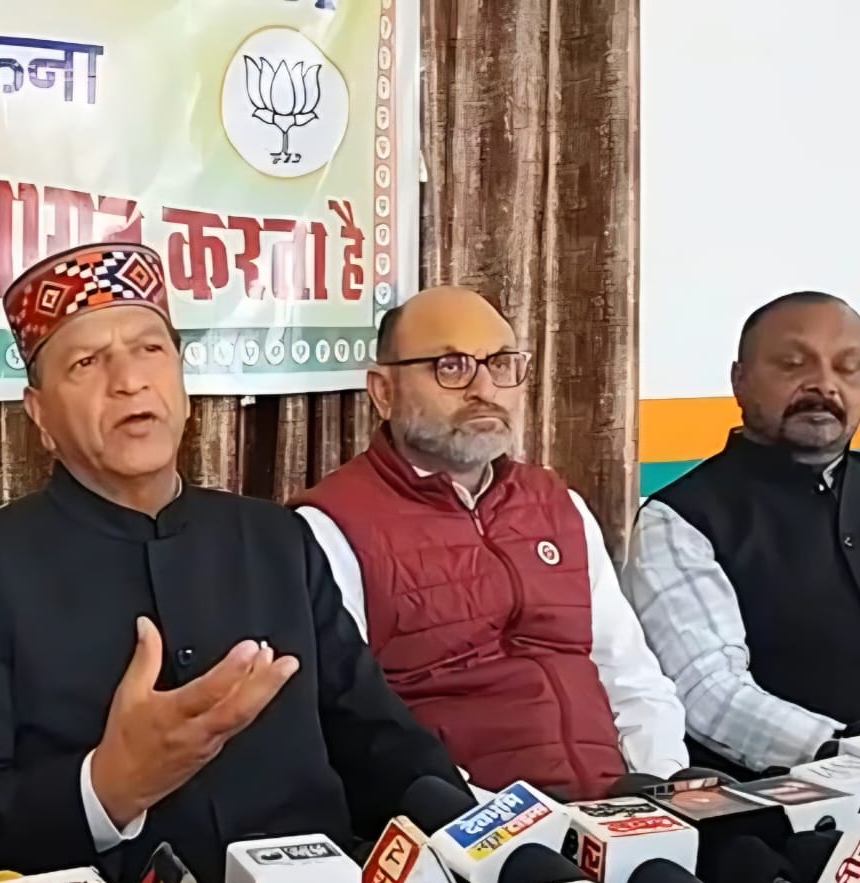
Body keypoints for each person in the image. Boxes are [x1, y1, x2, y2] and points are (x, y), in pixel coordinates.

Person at [0, 242, 467, 883]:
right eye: (86, 362)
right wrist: (106, 787)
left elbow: (381, 742)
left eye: (149, 349)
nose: (129, 381)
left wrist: (484, 843)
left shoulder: (278, 541)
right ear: (39, 415)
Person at [291, 287, 687, 800]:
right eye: (451, 367)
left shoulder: (559, 505)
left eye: (500, 364)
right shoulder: (329, 527)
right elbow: (358, 728)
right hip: (465, 824)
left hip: (615, 805)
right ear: (384, 392)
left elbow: (631, 676)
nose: (485, 388)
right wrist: (501, 821)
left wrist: (660, 786)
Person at [622, 291, 860, 774]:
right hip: (787, 798)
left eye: (848, 368)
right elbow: (711, 694)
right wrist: (841, 753)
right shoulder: (680, 519)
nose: (824, 384)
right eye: (793, 364)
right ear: (740, 381)